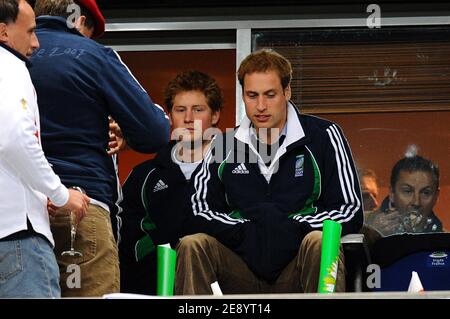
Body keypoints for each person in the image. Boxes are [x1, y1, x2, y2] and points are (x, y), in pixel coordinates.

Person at [175, 49, 363, 295]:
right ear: (243, 95)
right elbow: (198, 209)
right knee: (192, 244)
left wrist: (291, 227)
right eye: (252, 95)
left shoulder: (324, 135)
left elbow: (350, 209)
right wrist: (246, 232)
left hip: (298, 265)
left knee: (319, 240)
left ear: (287, 92)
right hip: (239, 268)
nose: (260, 106)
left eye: (270, 95)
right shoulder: (224, 144)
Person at [29, 0, 170, 297]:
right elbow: (155, 132)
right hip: (80, 207)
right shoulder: (94, 56)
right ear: (81, 22)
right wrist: (126, 131)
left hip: (19, 215)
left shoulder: (9, 60)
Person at [0, 0, 89, 298]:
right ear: (3, 32)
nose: (36, 43)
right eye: (30, 31)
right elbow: (15, 138)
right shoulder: (10, 66)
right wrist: (60, 194)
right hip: (17, 239)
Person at [119, 71, 223, 295]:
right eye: (180, 110)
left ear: (214, 116)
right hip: (154, 286)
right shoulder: (144, 176)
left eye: (198, 109)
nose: (188, 118)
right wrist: (158, 243)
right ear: (169, 116)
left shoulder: (235, 167)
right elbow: (127, 242)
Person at [365, 155, 443, 238]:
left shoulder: (445, 241)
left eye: (426, 193)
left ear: (436, 196)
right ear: (392, 193)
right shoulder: (361, 223)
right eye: (407, 191)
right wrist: (371, 235)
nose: (416, 202)